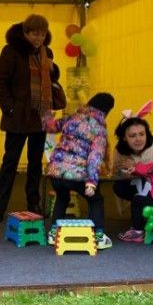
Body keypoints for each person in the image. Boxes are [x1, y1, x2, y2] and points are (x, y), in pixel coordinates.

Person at [0, 14, 58, 224]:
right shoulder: (11, 51)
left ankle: (33, 203)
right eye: (35, 34)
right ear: (26, 32)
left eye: (42, 34)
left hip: (40, 116)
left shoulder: (46, 52)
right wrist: (10, 109)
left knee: (35, 163)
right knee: (10, 162)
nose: (39, 38)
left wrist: (53, 69)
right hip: (17, 117)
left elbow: (51, 80)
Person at [43, 92, 115, 250]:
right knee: (96, 199)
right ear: (107, 110)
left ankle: (54, 233)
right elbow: (95, 157)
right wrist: (91, 182)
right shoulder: (99, 129)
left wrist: (46, 114)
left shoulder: (72, 118)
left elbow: (51, 127)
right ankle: (98, 236)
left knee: (62, 197)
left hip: (55, 171)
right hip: (76, 175)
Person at [112, 102, 153, 243]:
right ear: (124, 138)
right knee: (119, 186)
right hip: (135, 184)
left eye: (141, 134)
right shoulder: (120, 150)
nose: (138, 139)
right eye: (132, 136)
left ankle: (139, 226)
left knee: (142, 189)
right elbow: (116, 173)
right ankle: (140, 217)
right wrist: (125, 171)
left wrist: (137, 167)